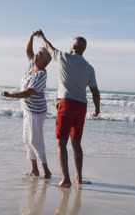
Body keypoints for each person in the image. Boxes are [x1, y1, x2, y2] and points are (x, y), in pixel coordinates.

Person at [36, 29, 100, 188]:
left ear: (73, 47)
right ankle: (78, 177)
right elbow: (94, 91)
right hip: (81, 106)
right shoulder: (89, 68)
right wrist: (97, 108)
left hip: (67, 104)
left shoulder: (64, 57)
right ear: (83, 49)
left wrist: (41, 35)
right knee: (76, 143)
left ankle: (65, 179)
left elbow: (48, 47)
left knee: (61, 143)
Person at [1, 30, 52, 179]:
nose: (36, 56)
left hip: (36, 112)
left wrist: (10, 95)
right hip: (27, 110)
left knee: (35, 141)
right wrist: (31, 37)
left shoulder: (41, 74)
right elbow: (28, 51)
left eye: (40, 55)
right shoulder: (32, 65)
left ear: (46, 61)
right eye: (36, 54)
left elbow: (28, 92)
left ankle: (46, 171)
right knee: (26, 139)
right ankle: (34, 170)